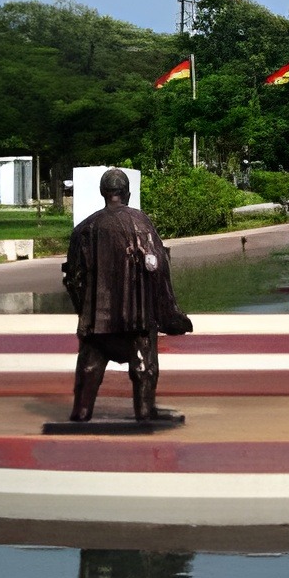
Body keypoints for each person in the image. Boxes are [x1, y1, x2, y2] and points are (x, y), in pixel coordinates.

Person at [60, 167, 193, 424]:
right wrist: (168, 312)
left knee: (90, 365)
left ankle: (82, 412)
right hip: (136, 316)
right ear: (127, 193)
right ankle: (144, 411)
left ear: (103, 193)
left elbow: (73, 277)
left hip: (97, 317)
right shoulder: (141, 223)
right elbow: (159, 268)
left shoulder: (84, 229)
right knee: (144, 365)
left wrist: (85, 310)